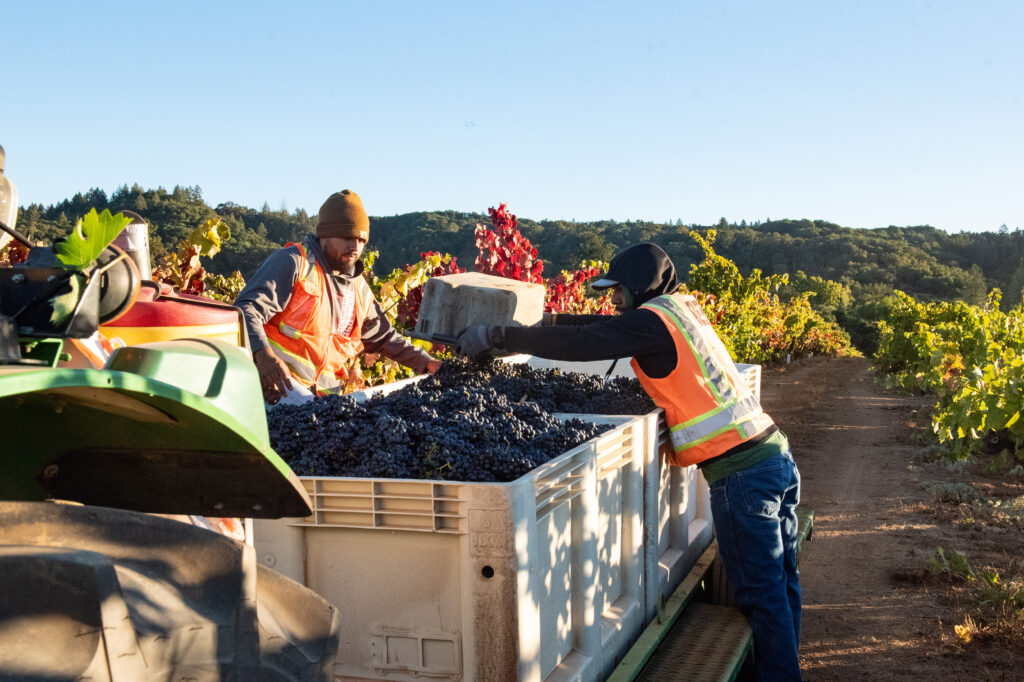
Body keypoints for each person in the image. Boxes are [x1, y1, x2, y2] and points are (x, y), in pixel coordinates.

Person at [455, 242, 802, 681]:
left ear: (640, 286)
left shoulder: (653, 322)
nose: (612, 298)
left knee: (760, 596)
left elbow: (588, 342)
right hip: (774, 457)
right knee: (782, 583)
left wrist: (499, 337)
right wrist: (544, 321)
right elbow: (602, 327)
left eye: (617, 290)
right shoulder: (678, 310)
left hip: (743, 476)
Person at [235, 189, 440, 403]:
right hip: (275, 394)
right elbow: (246, 309)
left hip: (323, 407)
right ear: (324, 234)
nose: (355, 247)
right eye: (346, 237)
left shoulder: (359, 290)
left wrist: (426, 362)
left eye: (361, 240)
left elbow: (385, 338)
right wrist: (263, 355)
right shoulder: (294, 263)